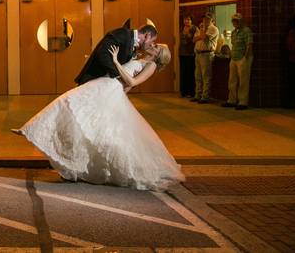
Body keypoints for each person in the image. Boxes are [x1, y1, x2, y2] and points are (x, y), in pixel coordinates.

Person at [13, 43, 184, 191]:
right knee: (68, 103)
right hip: (107, 87)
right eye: (155, 45)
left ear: (159, 55)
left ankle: (33, 131)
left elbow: (132, 82)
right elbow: (127, 85)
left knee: (77, 111)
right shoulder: (140, 58)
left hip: (109, 88)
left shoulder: (151, 65)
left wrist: (116, 62)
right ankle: (32, 128)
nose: (153, 47)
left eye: (157, 48)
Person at [75, 20, 157, 84]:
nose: (152, 44)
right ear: (147, 35)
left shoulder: (134, 45)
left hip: (104, 81)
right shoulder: (123, 33)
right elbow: (103, 54)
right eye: (152, 41)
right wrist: (118, 76)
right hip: (93, 78)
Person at [222, 13, 253, 110]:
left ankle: (243, 102)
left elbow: (249, 45)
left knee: (243, 81)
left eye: (237, 21)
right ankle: (232, 100)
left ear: (241, 21)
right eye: (234, 21)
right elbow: (233, 45)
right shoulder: (234, 32)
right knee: (232, 80)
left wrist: (245, 58)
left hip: (243, 58)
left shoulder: (247, 31)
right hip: (234, 58)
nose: (235, 23)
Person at [192, 12, 219, 104]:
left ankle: (205, 97)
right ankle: (197, 95)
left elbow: (204, 38)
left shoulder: (213, 29)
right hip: (198, 54)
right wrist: (201, 33)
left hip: (206, 54)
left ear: (212, 20)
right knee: (198, 76)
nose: (205, 20)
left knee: (206, 76)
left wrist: (201, 32)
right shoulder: (200, 28)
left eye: (207, 19)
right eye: (204, 19)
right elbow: (194, 39)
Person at [179, 15, 198, 98]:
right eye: (185, 19)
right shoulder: (181, 28)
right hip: (182, 54)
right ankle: (184, 91)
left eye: (188, 19)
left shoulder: (195, 29)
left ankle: (191, 92)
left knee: (190, 73)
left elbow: (195, 40)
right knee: (183, 73)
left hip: (191, 54)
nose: (186, 21)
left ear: (191, 20)